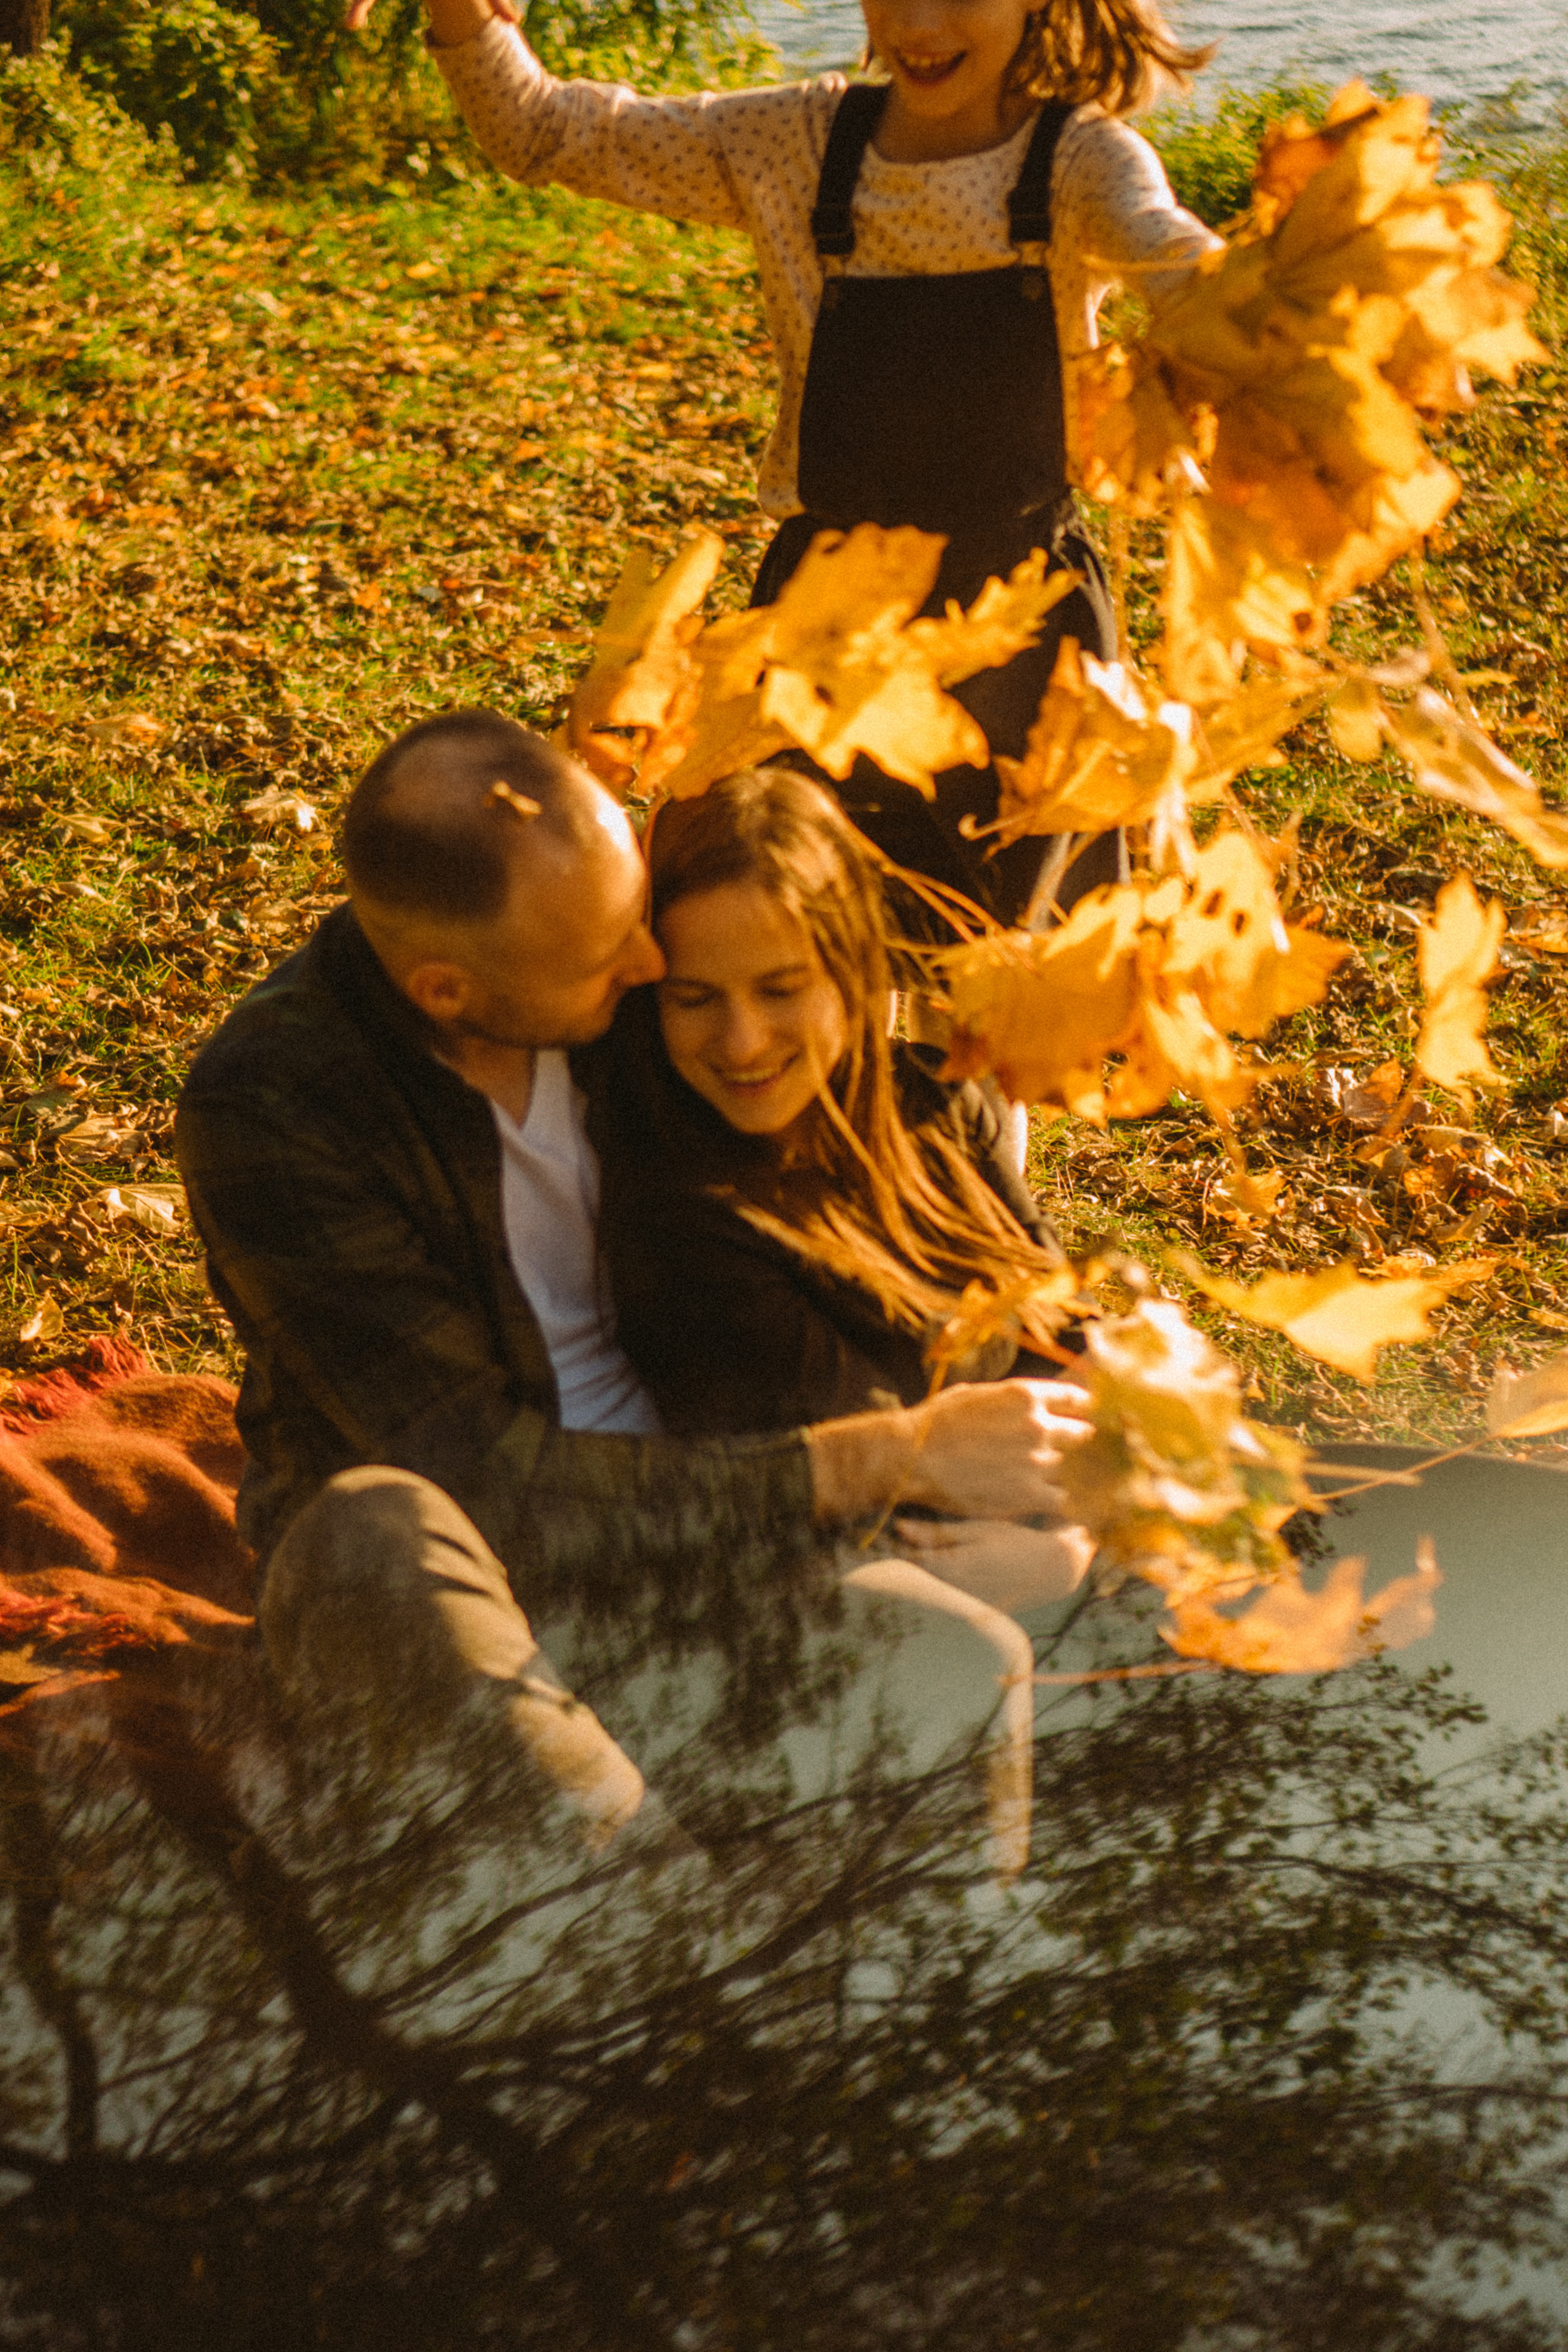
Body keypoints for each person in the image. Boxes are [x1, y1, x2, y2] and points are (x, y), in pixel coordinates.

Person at [175, 711, 1092, 1771]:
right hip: (487, 1563)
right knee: (384, 1535)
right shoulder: (282, 1108)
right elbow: (487, 1489)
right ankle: (640, 1912)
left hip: (730, 1523)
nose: (656, 961)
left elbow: (875, 1163)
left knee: (950, 1651)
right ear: (447, 991)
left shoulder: (633, 991)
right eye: (616, 955)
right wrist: (895, 1462)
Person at [377, 0, 1220, 930]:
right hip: (817, 626)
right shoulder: (794, 144)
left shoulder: (1078, 163)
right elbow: (547, 132)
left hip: (1022, 630)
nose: (920, 21)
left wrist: (1280, 310)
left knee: (1006, 954)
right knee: (794, 923)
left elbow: (1172, 258)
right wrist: (461, 17)